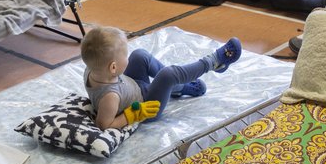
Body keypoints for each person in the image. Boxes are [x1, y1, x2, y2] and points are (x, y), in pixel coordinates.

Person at [81, 26, 242, 130]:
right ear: (114, 67)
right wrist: (133, 115)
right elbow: (104, 125)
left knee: (139, 55)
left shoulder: (93, 69)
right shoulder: (110, 97)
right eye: (124, 55)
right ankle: (214, 62)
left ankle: (178, 88)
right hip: (147, 105)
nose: (127, 58)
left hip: (133, 86)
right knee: (168, 74)